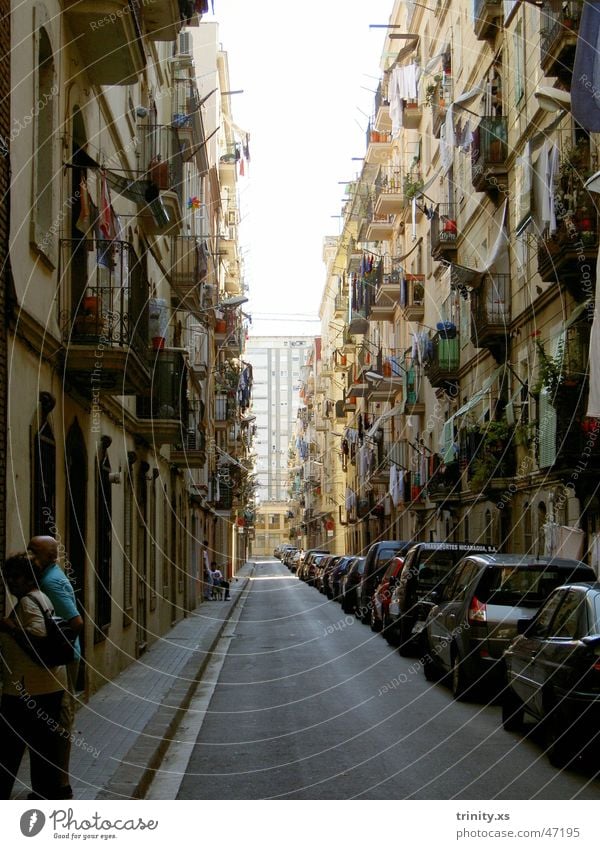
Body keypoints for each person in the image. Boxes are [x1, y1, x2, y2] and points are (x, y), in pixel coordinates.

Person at [0, 553, 68, 800]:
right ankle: (45, 795)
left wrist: (12, 629)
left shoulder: (29, 603)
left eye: (15, 577)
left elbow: (37, 637)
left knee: (9, 749)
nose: (10, 582)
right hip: (46, 687)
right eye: (7, 577)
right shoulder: (41, 598)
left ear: (29, 579)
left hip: (27, 692)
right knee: (42, 748)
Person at [27, 536, 83, 801]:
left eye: (33, 551)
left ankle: (62, 784)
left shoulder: (51, 582)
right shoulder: (46, 577)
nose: (28, 555)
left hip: (63, 659)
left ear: (48, 556)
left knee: (61, 720)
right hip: (60, 658)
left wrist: (49, 650)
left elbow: (75, 622)